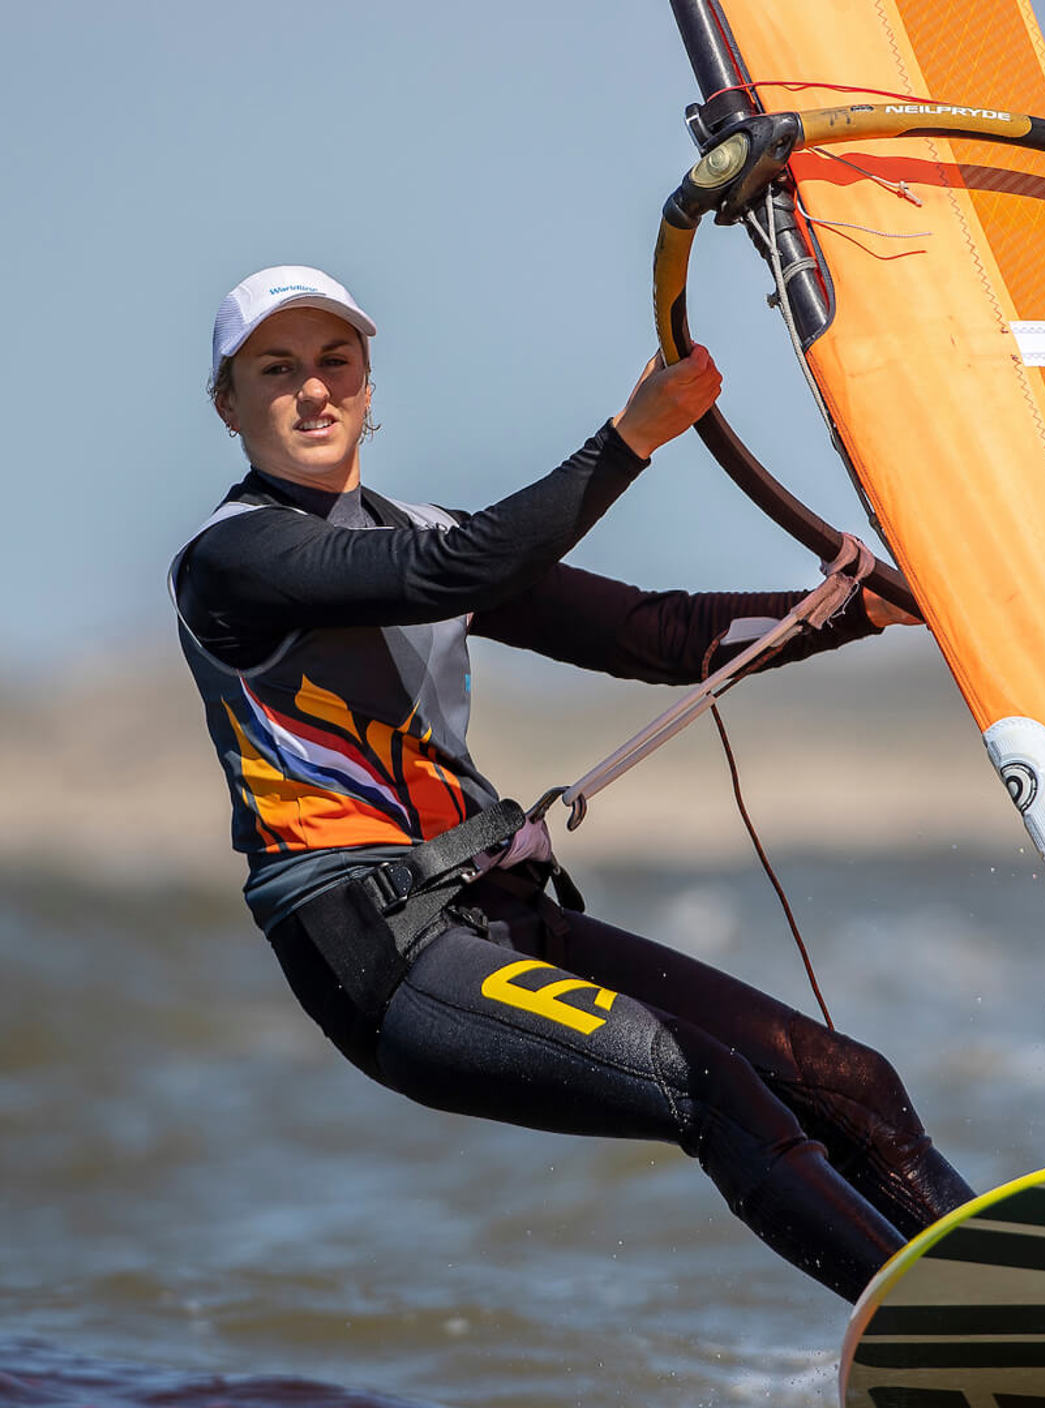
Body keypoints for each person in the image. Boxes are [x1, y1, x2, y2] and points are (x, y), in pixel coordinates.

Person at [170, 265, 974, 1301]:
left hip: (493, 914)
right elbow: (446, 575)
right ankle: (943, 1329)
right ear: (229, 404)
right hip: (384, 960)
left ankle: (1023, 1294)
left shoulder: (417, 528)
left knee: (850, 1082)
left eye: (335, 363)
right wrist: (628, 438)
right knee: (710, 1087)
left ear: (370, 384)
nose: (313, 391)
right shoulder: (233, 558)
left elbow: (654, 633)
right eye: (276, 372)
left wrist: (854, 610)